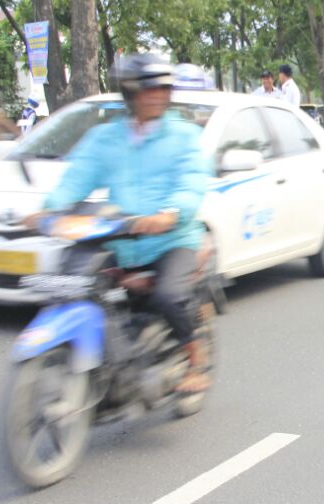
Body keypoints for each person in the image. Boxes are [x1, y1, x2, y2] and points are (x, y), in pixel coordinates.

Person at [33, 54, 211, 394]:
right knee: (72, 282)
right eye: (149, 89)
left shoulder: (185, 137)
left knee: (167, 296)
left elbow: (191, 184)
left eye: (163, 88)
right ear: (130, 94)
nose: (158, 94)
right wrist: (49, 210)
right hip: (120, 240)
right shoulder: (106, 138)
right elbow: (76, 179)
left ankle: (195, 359)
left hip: (172, 241)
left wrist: (170, 214)